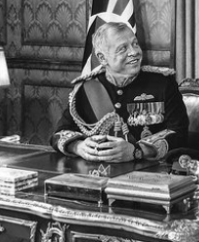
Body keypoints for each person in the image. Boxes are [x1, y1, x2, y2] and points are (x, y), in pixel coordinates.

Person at [50, 22, 189, 163]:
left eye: (135, 44)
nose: (134, 52)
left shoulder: (162, 84)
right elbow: (59, 134)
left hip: (148, 169)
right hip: (98, 170)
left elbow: (179, 133)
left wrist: (138, 151)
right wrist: (78, 147)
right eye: (123, 49)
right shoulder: (86, 88)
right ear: (102, 58)